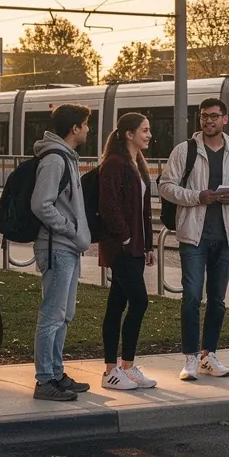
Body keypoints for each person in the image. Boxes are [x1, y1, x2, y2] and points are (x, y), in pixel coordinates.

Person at [158, 98, 229, 381]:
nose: (208, 121)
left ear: (225, 119)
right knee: (191, 296)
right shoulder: (185, 151)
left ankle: (208, 355)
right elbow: (165, 186)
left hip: (225, 236)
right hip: (193, 235)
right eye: (204, 117)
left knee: (218, 300)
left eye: (214, 116)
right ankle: (189, 358)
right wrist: (196, 197)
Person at [31, 104, 93, 402]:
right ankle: (45, 381)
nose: (88, 130)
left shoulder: (66, 157)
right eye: (85, 124)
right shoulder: (55, 160)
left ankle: (56, 373)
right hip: (58, 247)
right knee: (52, 315)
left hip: (67, 247)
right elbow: (41, 203)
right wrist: (69, 228)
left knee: (64, 315)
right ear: (75, 129)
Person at [98, 112, 156, 390]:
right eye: (144, 130)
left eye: (149, 130)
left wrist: (148, 244)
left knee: (117, 304)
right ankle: (119, 369)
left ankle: (120, 369)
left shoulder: (137, 162)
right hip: (121, 248)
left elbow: (144, 209)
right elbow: (108, 205)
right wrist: (124, 237)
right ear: (129, 134)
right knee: (139, 302)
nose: (149, 135)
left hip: (134, 247)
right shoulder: (114, 163)